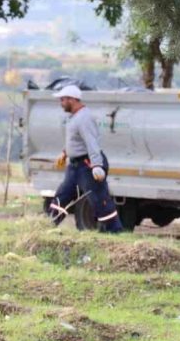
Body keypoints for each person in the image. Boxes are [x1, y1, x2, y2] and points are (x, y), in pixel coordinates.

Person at [48, 85, 123, 232]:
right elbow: (76, 140)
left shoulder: (84, 118)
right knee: (62, 195)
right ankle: (47, 224)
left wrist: (96, 165)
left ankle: (114, 231)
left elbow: (92, 142)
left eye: (63, 99)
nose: (61, 103)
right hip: (75, 166)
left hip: (87, 165)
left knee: (98, 199)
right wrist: (65, 152)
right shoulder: (74, 117)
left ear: (72, 100)